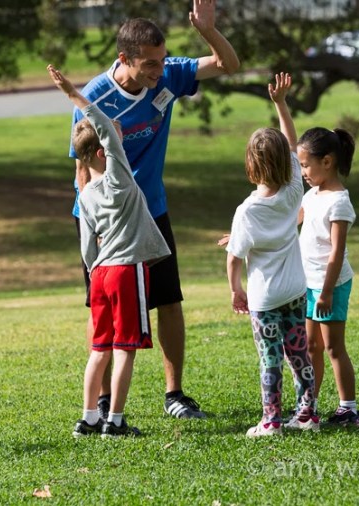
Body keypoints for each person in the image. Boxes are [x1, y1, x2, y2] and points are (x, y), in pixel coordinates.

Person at [69, 0, 240, 420]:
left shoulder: (169, 74)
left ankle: (174, 394)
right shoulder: (95, 98)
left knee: (169, 299)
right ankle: (103, 402)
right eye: (149, 63)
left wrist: (208, 31)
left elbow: (228, 65)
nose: (159, 70)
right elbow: (82, 170)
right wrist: (96, 225)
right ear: (124, 58)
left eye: (162, 60)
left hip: (151, 211)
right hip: (107, 220)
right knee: (103, 307)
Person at [49, 64, 171, 438]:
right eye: (117, 136)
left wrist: (94, 269)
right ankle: (115, 421)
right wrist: (75, 95)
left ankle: (88, 418)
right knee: (124, 349)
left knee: (99, 349)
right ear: (105, 151)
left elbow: (88, 245)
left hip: (100, 274)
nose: (122, 137)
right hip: (126, 271)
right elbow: (103, 125)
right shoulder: (119, 176)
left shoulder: (86, 195)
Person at [226, 73, 318, 437]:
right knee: (299, 353)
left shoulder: (247, 211)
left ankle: (272, 421)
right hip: (296, 290)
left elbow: (235, 258)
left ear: (250, 164)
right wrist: (281, 103)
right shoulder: (295, 189)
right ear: (287, 161)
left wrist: (235, 289)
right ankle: (307, 414)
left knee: (270, 358)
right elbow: (292, 143)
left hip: (264, 299)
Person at [295, 125, 359, 428]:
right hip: (310, 283)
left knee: (334, 347)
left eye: (305, 165)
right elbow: (286, 224)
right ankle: (308, 405)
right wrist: (244, 236)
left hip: (331, 285)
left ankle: (349, 409)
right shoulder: (311, 195)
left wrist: (326, 293)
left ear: (327, 161)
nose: (303, 172)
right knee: (311, 347)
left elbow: (336, 253)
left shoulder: (339, 202)